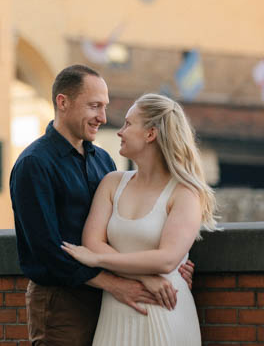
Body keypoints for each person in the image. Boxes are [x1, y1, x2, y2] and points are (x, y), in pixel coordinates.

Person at [10, 65, 193, 346]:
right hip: (63, 301)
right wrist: (122, 284)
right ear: (63, 102)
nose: (103, 118)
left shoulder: (104, 161)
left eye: (104, 107)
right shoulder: (34, 164)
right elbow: (46, 250)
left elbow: (119, 232)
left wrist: (172, 267)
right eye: (94, 106)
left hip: (110, 299)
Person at [61, 93, 217, 345]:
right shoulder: (112, 182)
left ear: (150, 134)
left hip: (165, 308)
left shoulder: (185, 193)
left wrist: (99, 260)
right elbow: (92, 242)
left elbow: (166, 260)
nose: (120, 131)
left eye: (128, 124)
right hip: (115, 313)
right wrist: (145, 277)